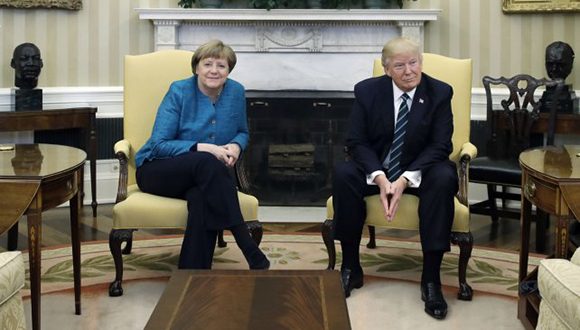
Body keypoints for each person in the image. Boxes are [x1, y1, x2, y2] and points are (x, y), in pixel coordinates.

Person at [332, 37, 457, 320]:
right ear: (387, 69)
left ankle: (431, 280)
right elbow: (356, 141)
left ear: (421, 63)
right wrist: (379, 177)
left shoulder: (439, 92)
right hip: (378, 168)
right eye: (399, 65)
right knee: (343, 173)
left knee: (444, 176)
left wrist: (404, 180)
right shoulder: (367, 91)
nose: (409, 71)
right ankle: (350, 268)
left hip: (420, 170)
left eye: (413, 63)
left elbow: (441, 145)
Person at [135, 39, 270, 270]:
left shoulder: (236, 92)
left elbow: (242, 132)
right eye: (208, 64)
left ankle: (193, 274)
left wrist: (237, 146)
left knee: (201, 198)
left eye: (221, 66)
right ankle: (245, 242)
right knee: (207, 162)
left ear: (229, 71)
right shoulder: (179, 91)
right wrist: (205, 148)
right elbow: (159, 145)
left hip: (204, 177)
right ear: (196, 67)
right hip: (157, 170)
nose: (214, 71)